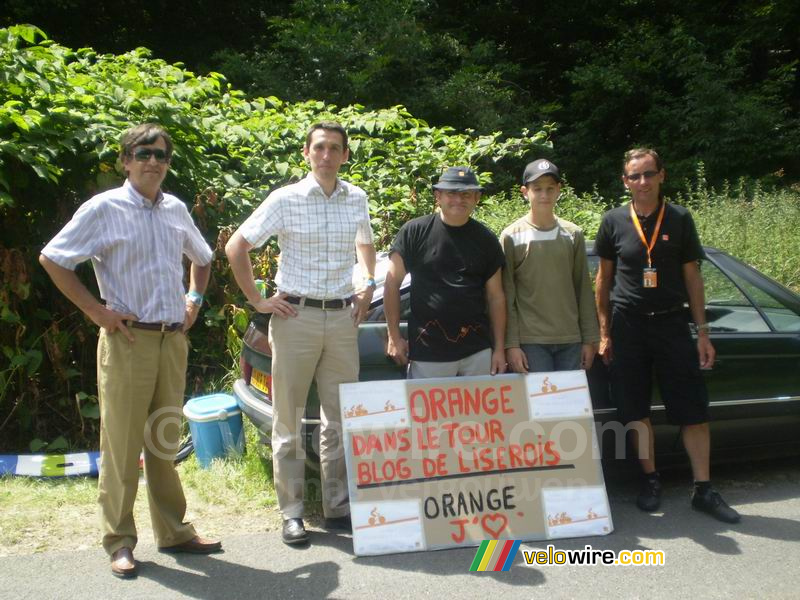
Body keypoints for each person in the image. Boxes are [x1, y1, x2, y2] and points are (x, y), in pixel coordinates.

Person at [39, 123, 222, 579]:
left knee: (163, 440)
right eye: (144, 153)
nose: (154, 162)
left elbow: (203, 258)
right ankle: (119, 540)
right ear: (125, 160)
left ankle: (175, 532)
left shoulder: (176, 209)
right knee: (121, 446)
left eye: (162, 155)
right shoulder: (104, 209)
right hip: (128, 340)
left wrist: (194, 301)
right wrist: (97, 312)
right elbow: (53, 258)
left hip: (170, 339)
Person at [225, 121, 376, 546]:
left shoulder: (357, 198)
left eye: (335, 148)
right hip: (296, 318)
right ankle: (291, 513)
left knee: (341, 417)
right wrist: (257, 300)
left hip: (343, 318)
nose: (327, 155)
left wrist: (367, 282)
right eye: (320, 148)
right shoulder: (285, 199)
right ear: (306, 153)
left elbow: (366, 243)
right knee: (288, 419)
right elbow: (237, 246)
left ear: (346, 155)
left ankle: (337, 508)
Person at [594, 147, 740, 523]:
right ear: (625, 181)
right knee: (634, 410)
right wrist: (604, 332)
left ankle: (703, 489)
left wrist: (702, 332)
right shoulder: (612, 221)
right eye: (634, 176)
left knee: (693, 409)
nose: (642, 182)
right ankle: (651, 480)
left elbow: (693, 276)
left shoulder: (679, 218)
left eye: (648, 174)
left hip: (673, 324)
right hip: (628, 325)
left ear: (662, 175)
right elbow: (603, 280)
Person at [385, 166, 506, 378]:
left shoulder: (486, 239)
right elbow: (392, 284)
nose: (459, 200)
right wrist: (394, 337)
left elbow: (496, 297)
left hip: (477, 352)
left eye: (466, 194)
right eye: (451, 193)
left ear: (476, 197)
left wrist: (499, 349)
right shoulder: (414, 232)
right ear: (438, 195)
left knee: (477, 413)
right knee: (427, 413)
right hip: (428, 353)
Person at [501, 159, 599, 373]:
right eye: (537, 189)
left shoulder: (573, 233)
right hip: (531, 341)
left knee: (570, 406)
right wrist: (511, 344)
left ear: (558, 191)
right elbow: (507, 294)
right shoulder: (511, 236)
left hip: (571, 339)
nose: (544, 195)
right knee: (540, 406)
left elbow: (583, 288)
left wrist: (590, 339)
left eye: (550, 189)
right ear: (525, 192)